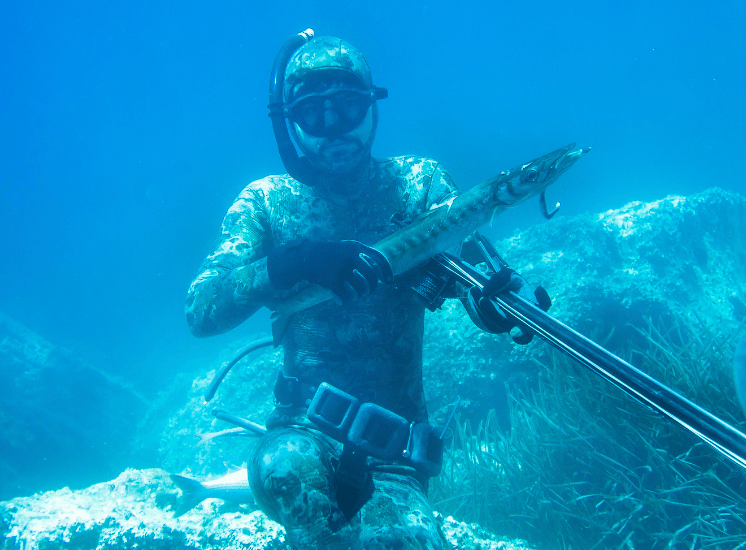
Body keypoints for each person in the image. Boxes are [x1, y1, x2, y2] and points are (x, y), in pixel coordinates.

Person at [185, 31, 540, 550]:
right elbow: (201, 310)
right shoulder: (267, 202)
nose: (333, 128)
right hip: (298, 433)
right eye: (312, 114)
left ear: (372, 106)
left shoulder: (420, 185)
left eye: (347, 107)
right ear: (290, 125)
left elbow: (474, 276)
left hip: (396, 451)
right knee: (292, 481)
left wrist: (500, 303)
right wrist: (285, 264)